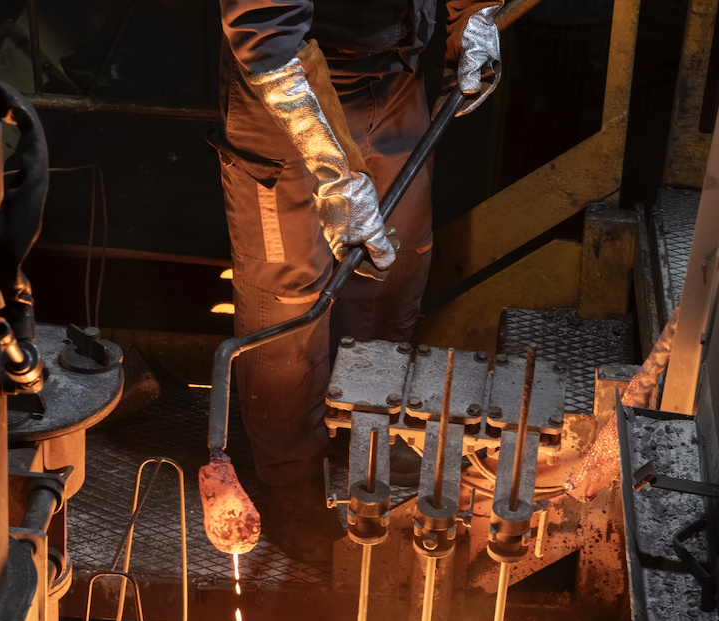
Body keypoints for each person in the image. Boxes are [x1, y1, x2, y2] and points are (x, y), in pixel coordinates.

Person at [211, 0, 502, 564]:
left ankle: (367, 433)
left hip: (394, 72)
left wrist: (476, 17)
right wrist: (328, 166)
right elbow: (262, 26)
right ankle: (290, 474)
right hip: (285, 86)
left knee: (395, 261)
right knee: (289, 297)